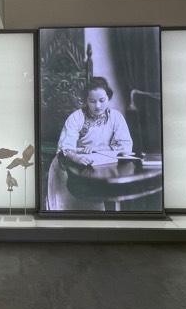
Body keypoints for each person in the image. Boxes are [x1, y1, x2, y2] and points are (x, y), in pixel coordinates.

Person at [46, 76, 133, 210]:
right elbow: (66, 147)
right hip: (73, 165)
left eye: (102, 100)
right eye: (92, 101)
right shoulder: (76, 117)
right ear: (86, 100)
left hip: (103, 165)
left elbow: (125, 146)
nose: (97, 106)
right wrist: (76, 157)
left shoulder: (116, 117)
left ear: (108, 97)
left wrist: (99, 149)